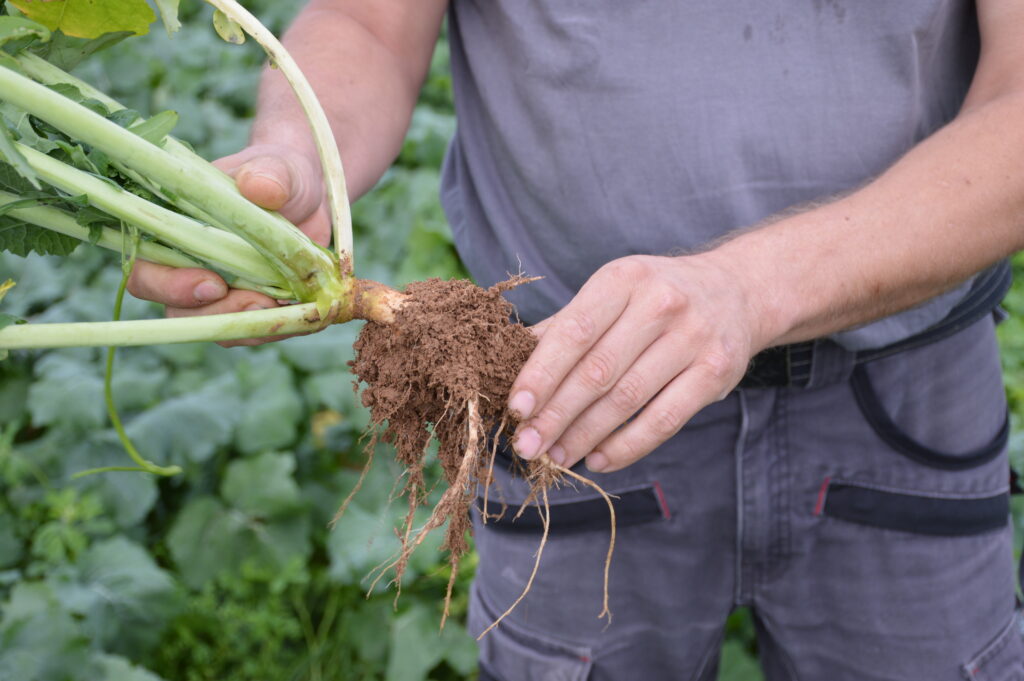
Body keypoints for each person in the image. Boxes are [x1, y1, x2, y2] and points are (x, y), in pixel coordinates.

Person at [128, 1, 1024, 678]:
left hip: (901, 394)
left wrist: (750, 289)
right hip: (553, 393)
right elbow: (367, 21)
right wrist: (291, 174)